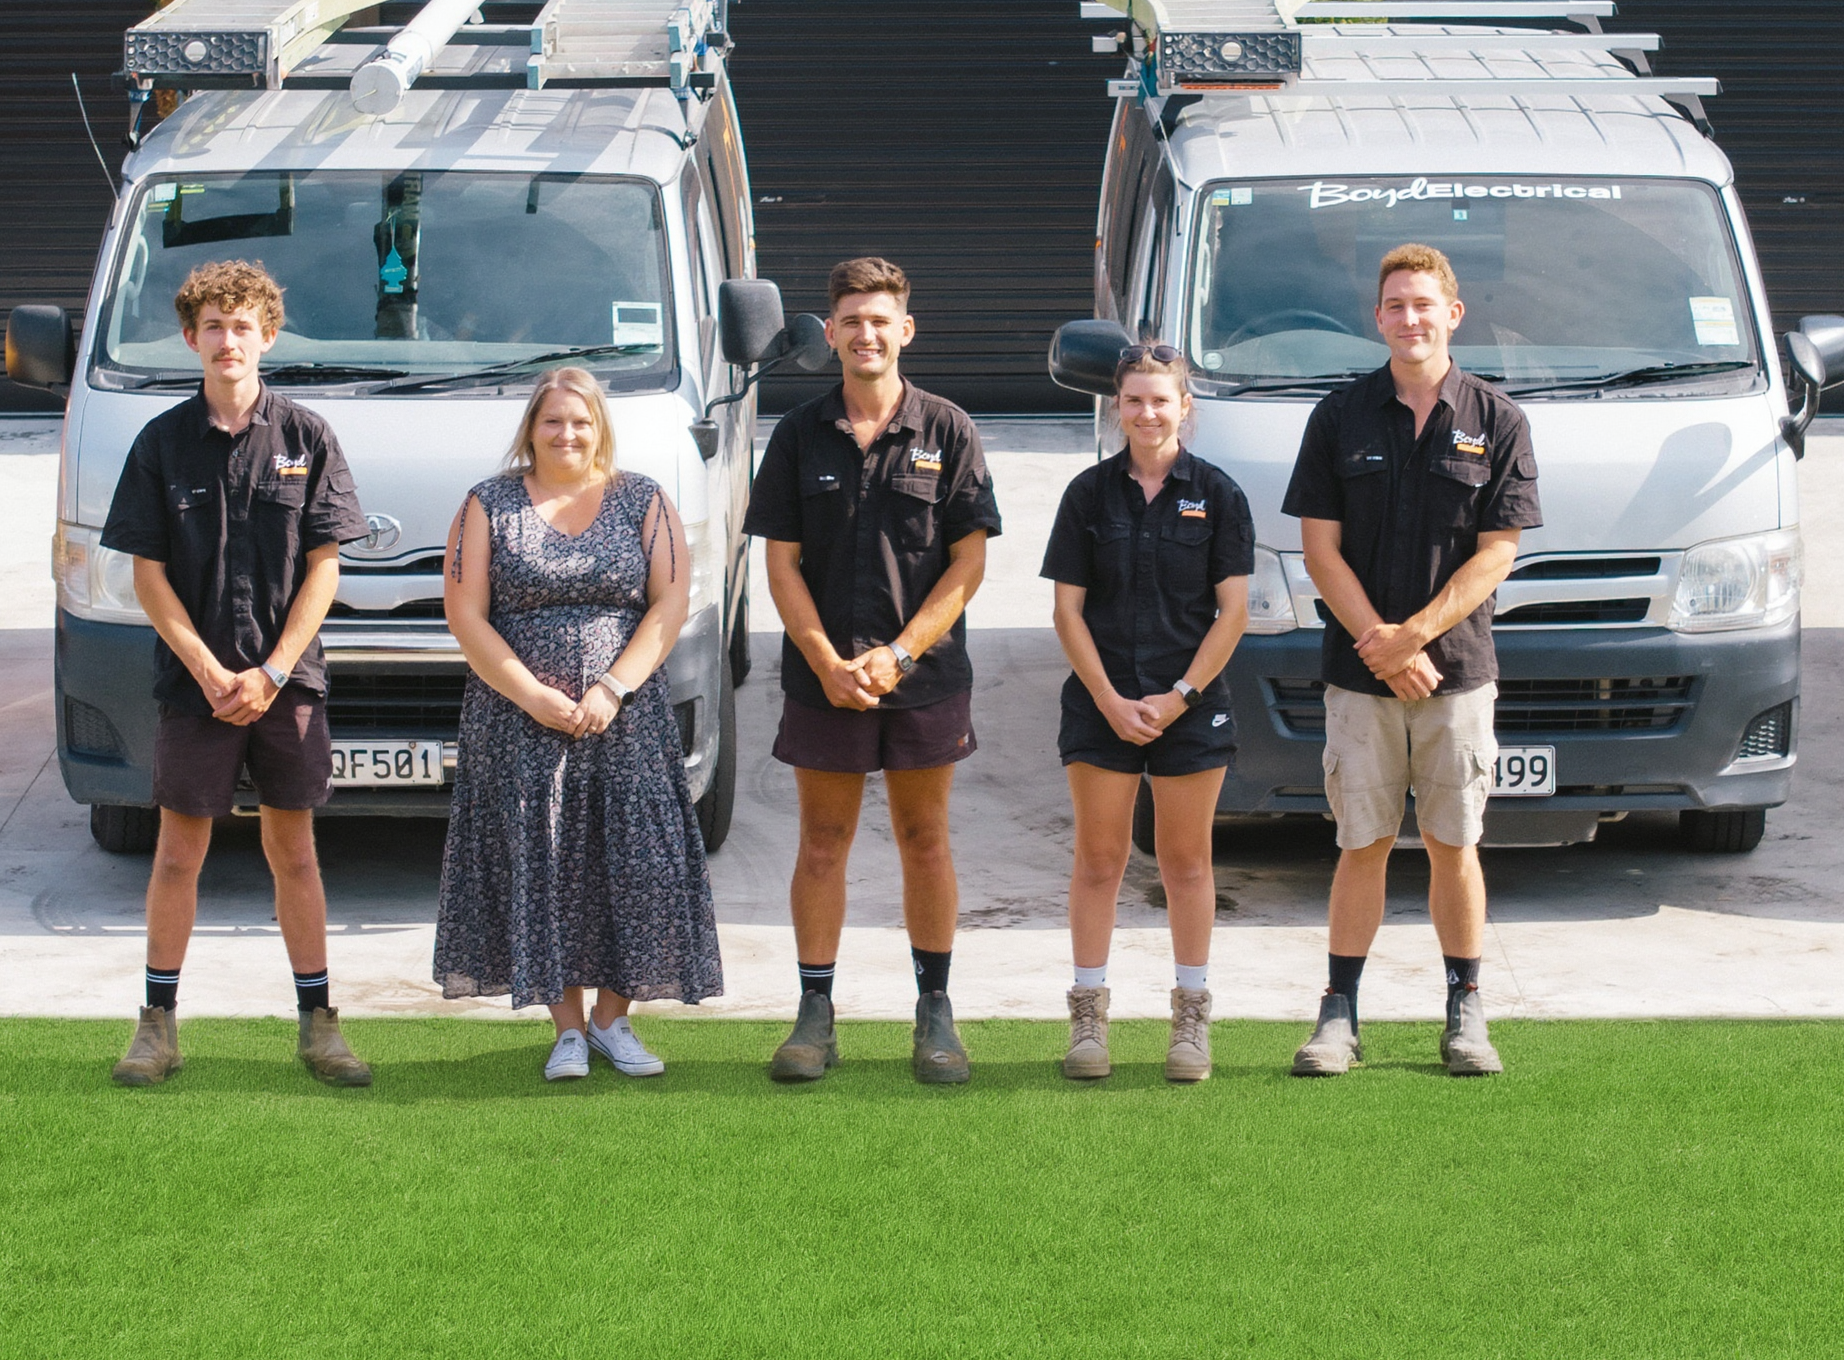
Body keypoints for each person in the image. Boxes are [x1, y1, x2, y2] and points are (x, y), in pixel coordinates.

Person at [101, 258, 370, 1091]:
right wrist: (211, 669)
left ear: (267, 335)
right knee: (179, 853)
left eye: (242, 325)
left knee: (294, 851)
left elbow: (325, 567)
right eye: (212, 326)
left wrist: (274, 670)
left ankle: (320, 1026)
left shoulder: (308, 437)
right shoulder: (160, 443)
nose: (227, 341)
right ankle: (157, 1028)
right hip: (196, 690)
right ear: (190, 338)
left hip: (287, 689)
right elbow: (147, 575)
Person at [1281, 243, 1539, 1078]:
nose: (1410, 318)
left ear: (1453, 314)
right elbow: (1320, 551)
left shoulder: (1498, 420)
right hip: (1361, 674)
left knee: (1452, 842)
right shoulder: (1339, 416)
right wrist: (1382, 647)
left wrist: (1415, 637)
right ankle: (1339, 1016)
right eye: (1395, 305)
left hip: (1456, 675)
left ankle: (1466, 1011)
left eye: (1424, 304)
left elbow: (1498, 553)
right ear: (1378, 317)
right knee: (1362, 842)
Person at [746, 256, 1000, 1085]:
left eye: (880, 319)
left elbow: (967, 565)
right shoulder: (796, 434)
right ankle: (815, 1016)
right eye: (851, 320)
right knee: (823, 843)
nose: (866, 334)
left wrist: (896, 655)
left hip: (922, 680)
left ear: (906, 330)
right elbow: (780, 566)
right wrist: (824, 661)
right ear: (831, 333)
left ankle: (935, 1014)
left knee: (924, 841)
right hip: (823, 681)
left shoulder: (948, 430)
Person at [434, 368, 722, 1079]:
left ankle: (612, 1021)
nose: (567, 434)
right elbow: (465, 615)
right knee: (546, 863)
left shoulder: (643, 499)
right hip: (519, 721)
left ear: (601, 429)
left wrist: (614, 687)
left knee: (641, 866)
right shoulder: (488, 503)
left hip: (626, 719)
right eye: (553, 421)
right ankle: (566, 1029)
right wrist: (530, 694)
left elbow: (670, 604)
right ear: (531, 428)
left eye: (581, 421)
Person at [1041, 343, 1254, 1083]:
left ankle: (1191, 1018)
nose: (1147, 412)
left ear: (1184, 406)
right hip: (1103, 704)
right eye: (1134, 400)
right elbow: (1067, 610)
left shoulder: (1220, 495)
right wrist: (1108, 698)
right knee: (1099, 862)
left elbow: (1232, 613)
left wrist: (1180, 698)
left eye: (1161, 399)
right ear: (1117, 408)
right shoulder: (1087, 496)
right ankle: (1088, 1018)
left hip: (1189, 708)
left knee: (1185, 864)